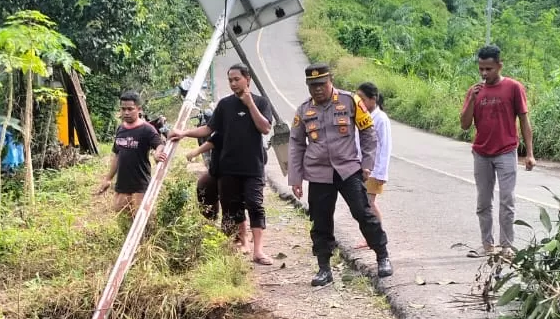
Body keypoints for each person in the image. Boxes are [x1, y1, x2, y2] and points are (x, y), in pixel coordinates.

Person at [288, 63, 392, 286]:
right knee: (320, 221)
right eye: (312, 85)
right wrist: (295, 178)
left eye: (321, 84)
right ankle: (324, 269)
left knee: (363, 213)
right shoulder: (303, 110)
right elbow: (296, 144)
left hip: (348, 169)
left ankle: (382, 256)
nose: (317, 89)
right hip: (318, 174)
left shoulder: (350, 101)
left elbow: (368, 132)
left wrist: (367, 163)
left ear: (331, 80)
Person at [171, 64, 275, 264]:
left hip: (253, 165)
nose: (233, 83)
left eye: (237, 79)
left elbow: (265, 128)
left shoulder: (261, 102)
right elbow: (209, 129)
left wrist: (250, 103)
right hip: (228, 167)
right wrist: (183, 133)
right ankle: (243, 241)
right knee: (233, 206)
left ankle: (258, 251)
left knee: (255, 205)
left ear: (248, 79)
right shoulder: (225, 105)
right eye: (230, 80)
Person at [460, 45, 535, 257]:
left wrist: (529, 153)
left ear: (499, 66)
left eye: (489, 69)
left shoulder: (513, 88)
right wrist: (472, 100)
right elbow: (465, 125)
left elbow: (524, 120)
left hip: (506, 152)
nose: (484, 73)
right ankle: (486, 245)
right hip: (481, 153)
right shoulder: (474, 91)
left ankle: (506, 246)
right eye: (481, 69)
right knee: (483, 201)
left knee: (507, 200)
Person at [96, 91, 167, 212]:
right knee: (122, 220)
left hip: (140, 186)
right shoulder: (121, 128)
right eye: (123, 109)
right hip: (122, 185)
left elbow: (159, 144)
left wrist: (157, 153)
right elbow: (117, 155)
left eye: (130, 109)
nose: (126, 113)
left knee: (140, 222)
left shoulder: (147, 129)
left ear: (139, 109)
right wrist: (108, 179)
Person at [353, 82, 390, 247]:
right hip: (362, 166)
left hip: (375, 169)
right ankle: (372, 236)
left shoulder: (381, 118)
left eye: (362, 98)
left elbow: (385, 146)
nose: (359, 102)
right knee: (364, 204)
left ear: (373, 99)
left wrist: (382, 173)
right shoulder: (362, 116)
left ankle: (376, 236)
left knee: (368, 203)